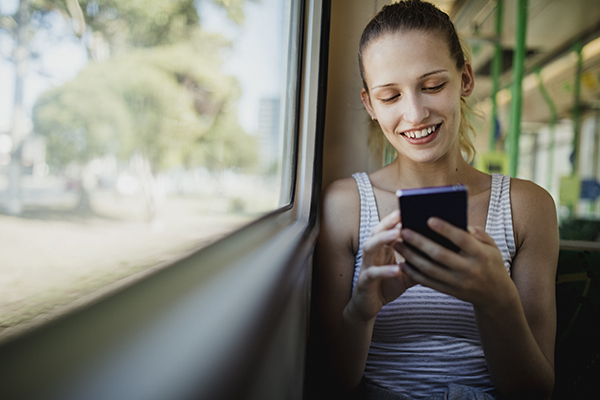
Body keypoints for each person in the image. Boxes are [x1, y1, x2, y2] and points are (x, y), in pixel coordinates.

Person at [313, 1, 558, 399]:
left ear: (465, 79)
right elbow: (335, 382)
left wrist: (496, 299)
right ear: (369, 105)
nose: (415, 113)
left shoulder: (527, 206)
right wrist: (362, 310)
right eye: (390, 96)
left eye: (432, 86)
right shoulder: (345, 205)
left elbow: (535, 389)